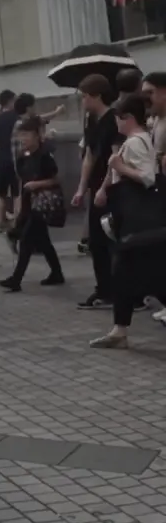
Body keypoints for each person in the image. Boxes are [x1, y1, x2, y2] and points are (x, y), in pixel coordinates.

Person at [90, 93, 165, 349]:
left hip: (138, 222)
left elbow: (147, 178)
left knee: (142, 273)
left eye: (119, 119)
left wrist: (119, 168)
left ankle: (119, 331)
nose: (117, 124)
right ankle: (119, 330)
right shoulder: (135, 141)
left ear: (129, 118)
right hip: (136, 223)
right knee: (127, 273)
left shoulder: (135, 143)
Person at [0, 114, 64, 292]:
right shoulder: (22, 158)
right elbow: (22, 184)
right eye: (21, 135)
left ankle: (16, 279)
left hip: (42, 204)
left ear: (37, 136)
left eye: (27, 135)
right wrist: (19, 209)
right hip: (30, 204)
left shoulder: (44, 156)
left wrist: (38, 184)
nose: (23, 139)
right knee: (43, 241)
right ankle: (57, 273)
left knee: (27, 240)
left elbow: (56, 180)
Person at [73, 74, 120, 310]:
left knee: (111, 238)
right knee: (96, 240)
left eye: (85, 97)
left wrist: (105, 187)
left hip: (111, 187)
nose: (82, 102)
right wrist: (82, 188)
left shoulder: (113, 120)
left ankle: (118, 289)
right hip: (96, 186)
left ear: (97, 96)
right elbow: (90, 156)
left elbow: (115, 158)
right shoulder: (91, 121)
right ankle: (103, 289)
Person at [0, 90, 29, 235]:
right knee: (17, 192)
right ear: (10, 101)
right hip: (15, 158)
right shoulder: (17, 118)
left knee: (0, 192)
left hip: (0, 159)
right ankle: (17, 221)